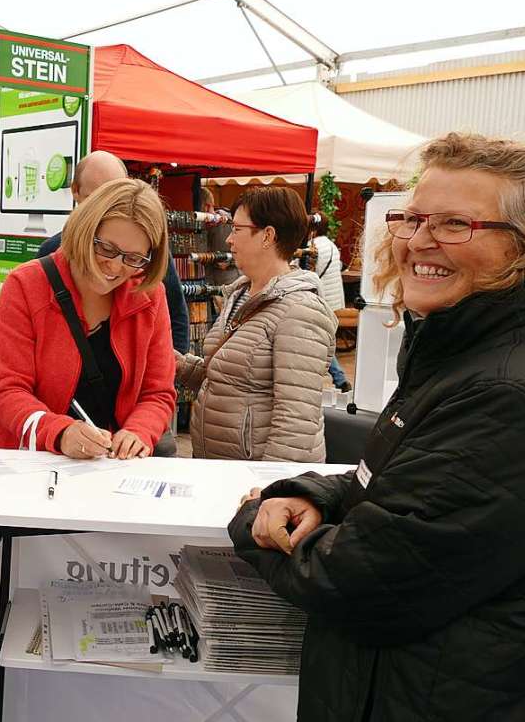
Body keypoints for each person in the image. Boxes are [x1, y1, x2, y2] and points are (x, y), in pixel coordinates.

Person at [230, 133, 525, 721]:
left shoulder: (501, 391)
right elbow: (397, 483)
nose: (419, 240)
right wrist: (307, 493)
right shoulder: (455, 350)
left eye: (455, 224)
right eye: (413, 218)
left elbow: (365, 578)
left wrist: (252, 521)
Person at [0, 178, 176, 461]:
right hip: (26, 465)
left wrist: (140, 431)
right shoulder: (26, 285)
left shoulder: (150, 295)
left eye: (134, 258)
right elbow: (8, 391)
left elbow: (158, 393)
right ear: (85, 229)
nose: (115, 266)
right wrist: (60, 432)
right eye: (106, 248)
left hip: (106, 469)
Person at [181, 186, 336, 462]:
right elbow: (225, 375)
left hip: (257, 482)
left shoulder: (300, 310)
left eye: (237, 229)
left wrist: (270, 493)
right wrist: (173, 363)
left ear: (268, 235)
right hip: (222, 471)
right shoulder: (239, 295)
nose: (229, 240)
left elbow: (297, 421)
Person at [37, 150, 190, 355]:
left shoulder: (148, 256)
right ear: (75, 191)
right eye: (106, 248)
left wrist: (170, 369)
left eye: (116, 194)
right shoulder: (49, 254)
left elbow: (176, 312)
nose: (107, 206)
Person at [311, 214, 351, 392]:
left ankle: (339, 377)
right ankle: (339, 378)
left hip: (320, 301)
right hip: (333, 301)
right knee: (323, 339)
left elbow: (306, 273)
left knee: (321, 340)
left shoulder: (315, 248)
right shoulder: (332, 245)